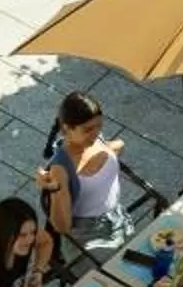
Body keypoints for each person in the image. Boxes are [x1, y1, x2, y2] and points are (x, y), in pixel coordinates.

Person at [38, 91, 129, 244]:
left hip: (118, 218)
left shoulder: (96, 140)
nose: (96, 133)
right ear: (67, 129)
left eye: (99, 125)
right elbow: (62, 227)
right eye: (87, 129)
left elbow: (115, 147)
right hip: (89, 236)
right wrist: (55, 190)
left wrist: (114, 148)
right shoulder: (60, 169)